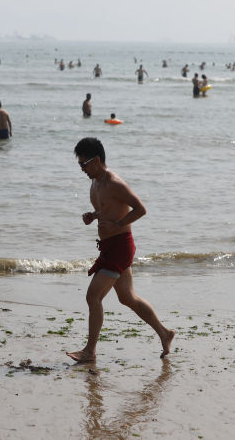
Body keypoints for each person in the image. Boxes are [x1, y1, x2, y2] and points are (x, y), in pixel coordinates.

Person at [66, 137, 174, 363]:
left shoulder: (115, 183)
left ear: (96, 160)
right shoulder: (95, 183)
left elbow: (140, 209)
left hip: (120, 246)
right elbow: (105, 210)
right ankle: (165, 333)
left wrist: (118, 224)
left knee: (93, 296)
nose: (82, 169)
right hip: (108, 247)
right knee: (128, 298)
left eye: (83, 164)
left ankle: (90, 352)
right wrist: (92, 216)